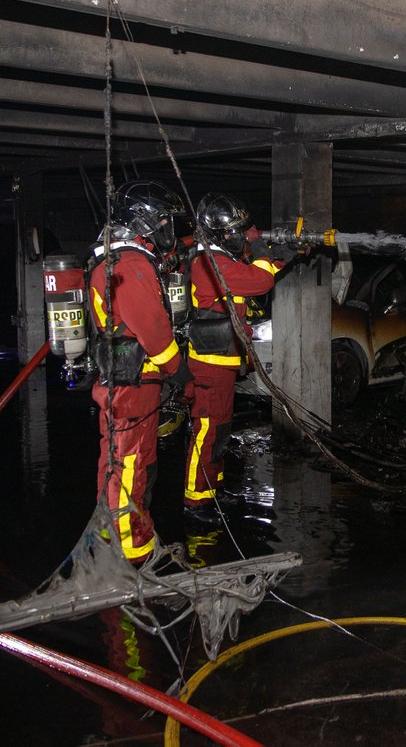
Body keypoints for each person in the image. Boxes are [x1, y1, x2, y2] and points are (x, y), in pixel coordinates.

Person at [87, 180, 192, 563]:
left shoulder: (121, 258)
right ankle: (131, 554)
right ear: (144, 222)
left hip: (126, 382)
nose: (168, 228)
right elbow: (153, 331)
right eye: (163, 221)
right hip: (132, 386)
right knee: (130, 467)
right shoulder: (130, 266)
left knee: (120, 464)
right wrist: (179, 371)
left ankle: (114, 541)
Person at [183, 193, 294, 514]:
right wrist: (260, 246)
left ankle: (212, 490)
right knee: (208, 430)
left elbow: (255, 272)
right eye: (234, 232)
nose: (240, 237)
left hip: (222, 359)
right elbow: (259, 281)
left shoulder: (221, 258)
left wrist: (284, 254)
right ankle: (196, 501)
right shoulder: (209, 263)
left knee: (219, 429)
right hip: (210, 362)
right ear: (217, 235)